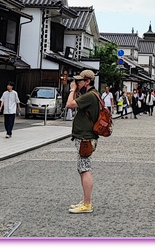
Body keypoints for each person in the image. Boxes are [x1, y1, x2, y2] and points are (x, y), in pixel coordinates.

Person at [65, 69, 100, 213]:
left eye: (79, 81)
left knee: (85, 169)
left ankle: (87, 204)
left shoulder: (90, 96)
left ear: (87, 81)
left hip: (85, 137)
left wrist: (72, 91)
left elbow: (70, 104)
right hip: (85, 136)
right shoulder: (92, 95)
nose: (76, 84)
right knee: (82, 168)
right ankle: (86, 200)